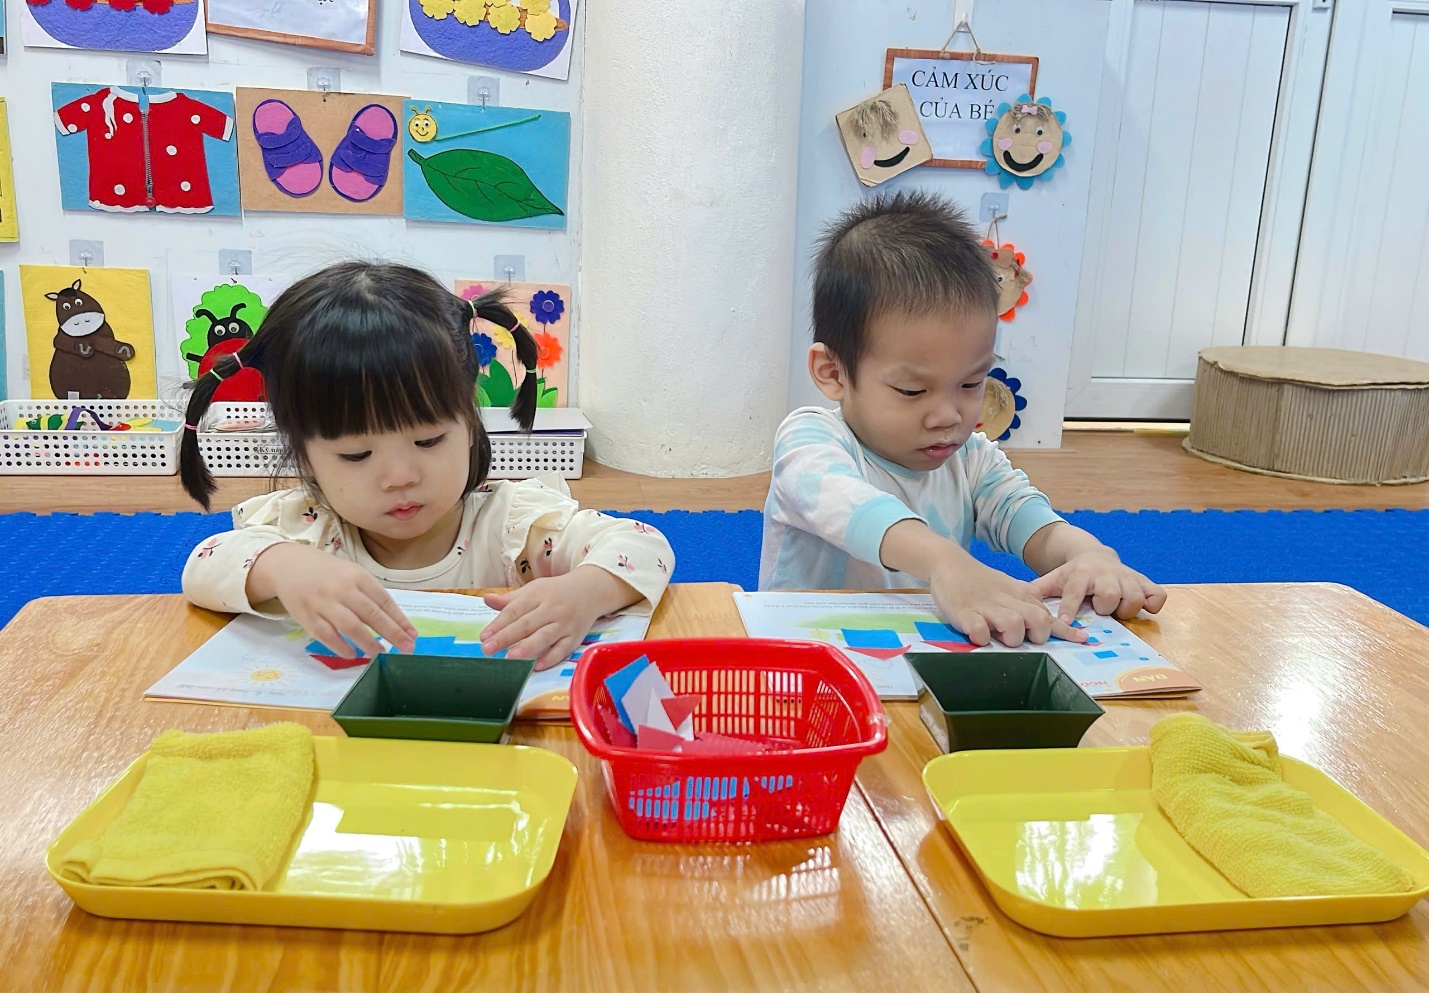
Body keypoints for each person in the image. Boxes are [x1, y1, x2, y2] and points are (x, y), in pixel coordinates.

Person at [179, 262, 674, 670]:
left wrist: (584, 591)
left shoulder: (512, 525)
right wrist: (280, 568)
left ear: (471, 420)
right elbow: (202, 568)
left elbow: (643, 545)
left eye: (429, 439)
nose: (401, 476)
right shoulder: (306, 531)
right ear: (303, 452)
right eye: (356, 454)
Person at [761, 191, 1164, 647]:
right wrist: (945, 561)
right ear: (833, 372)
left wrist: (1088, 555)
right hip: (805, 666)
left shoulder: (971, 460)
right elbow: (849, 505)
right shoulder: (810, 441)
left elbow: (1028, 520)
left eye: (971, 384)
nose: (949, 415)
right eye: (913, 391)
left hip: (921, 657)